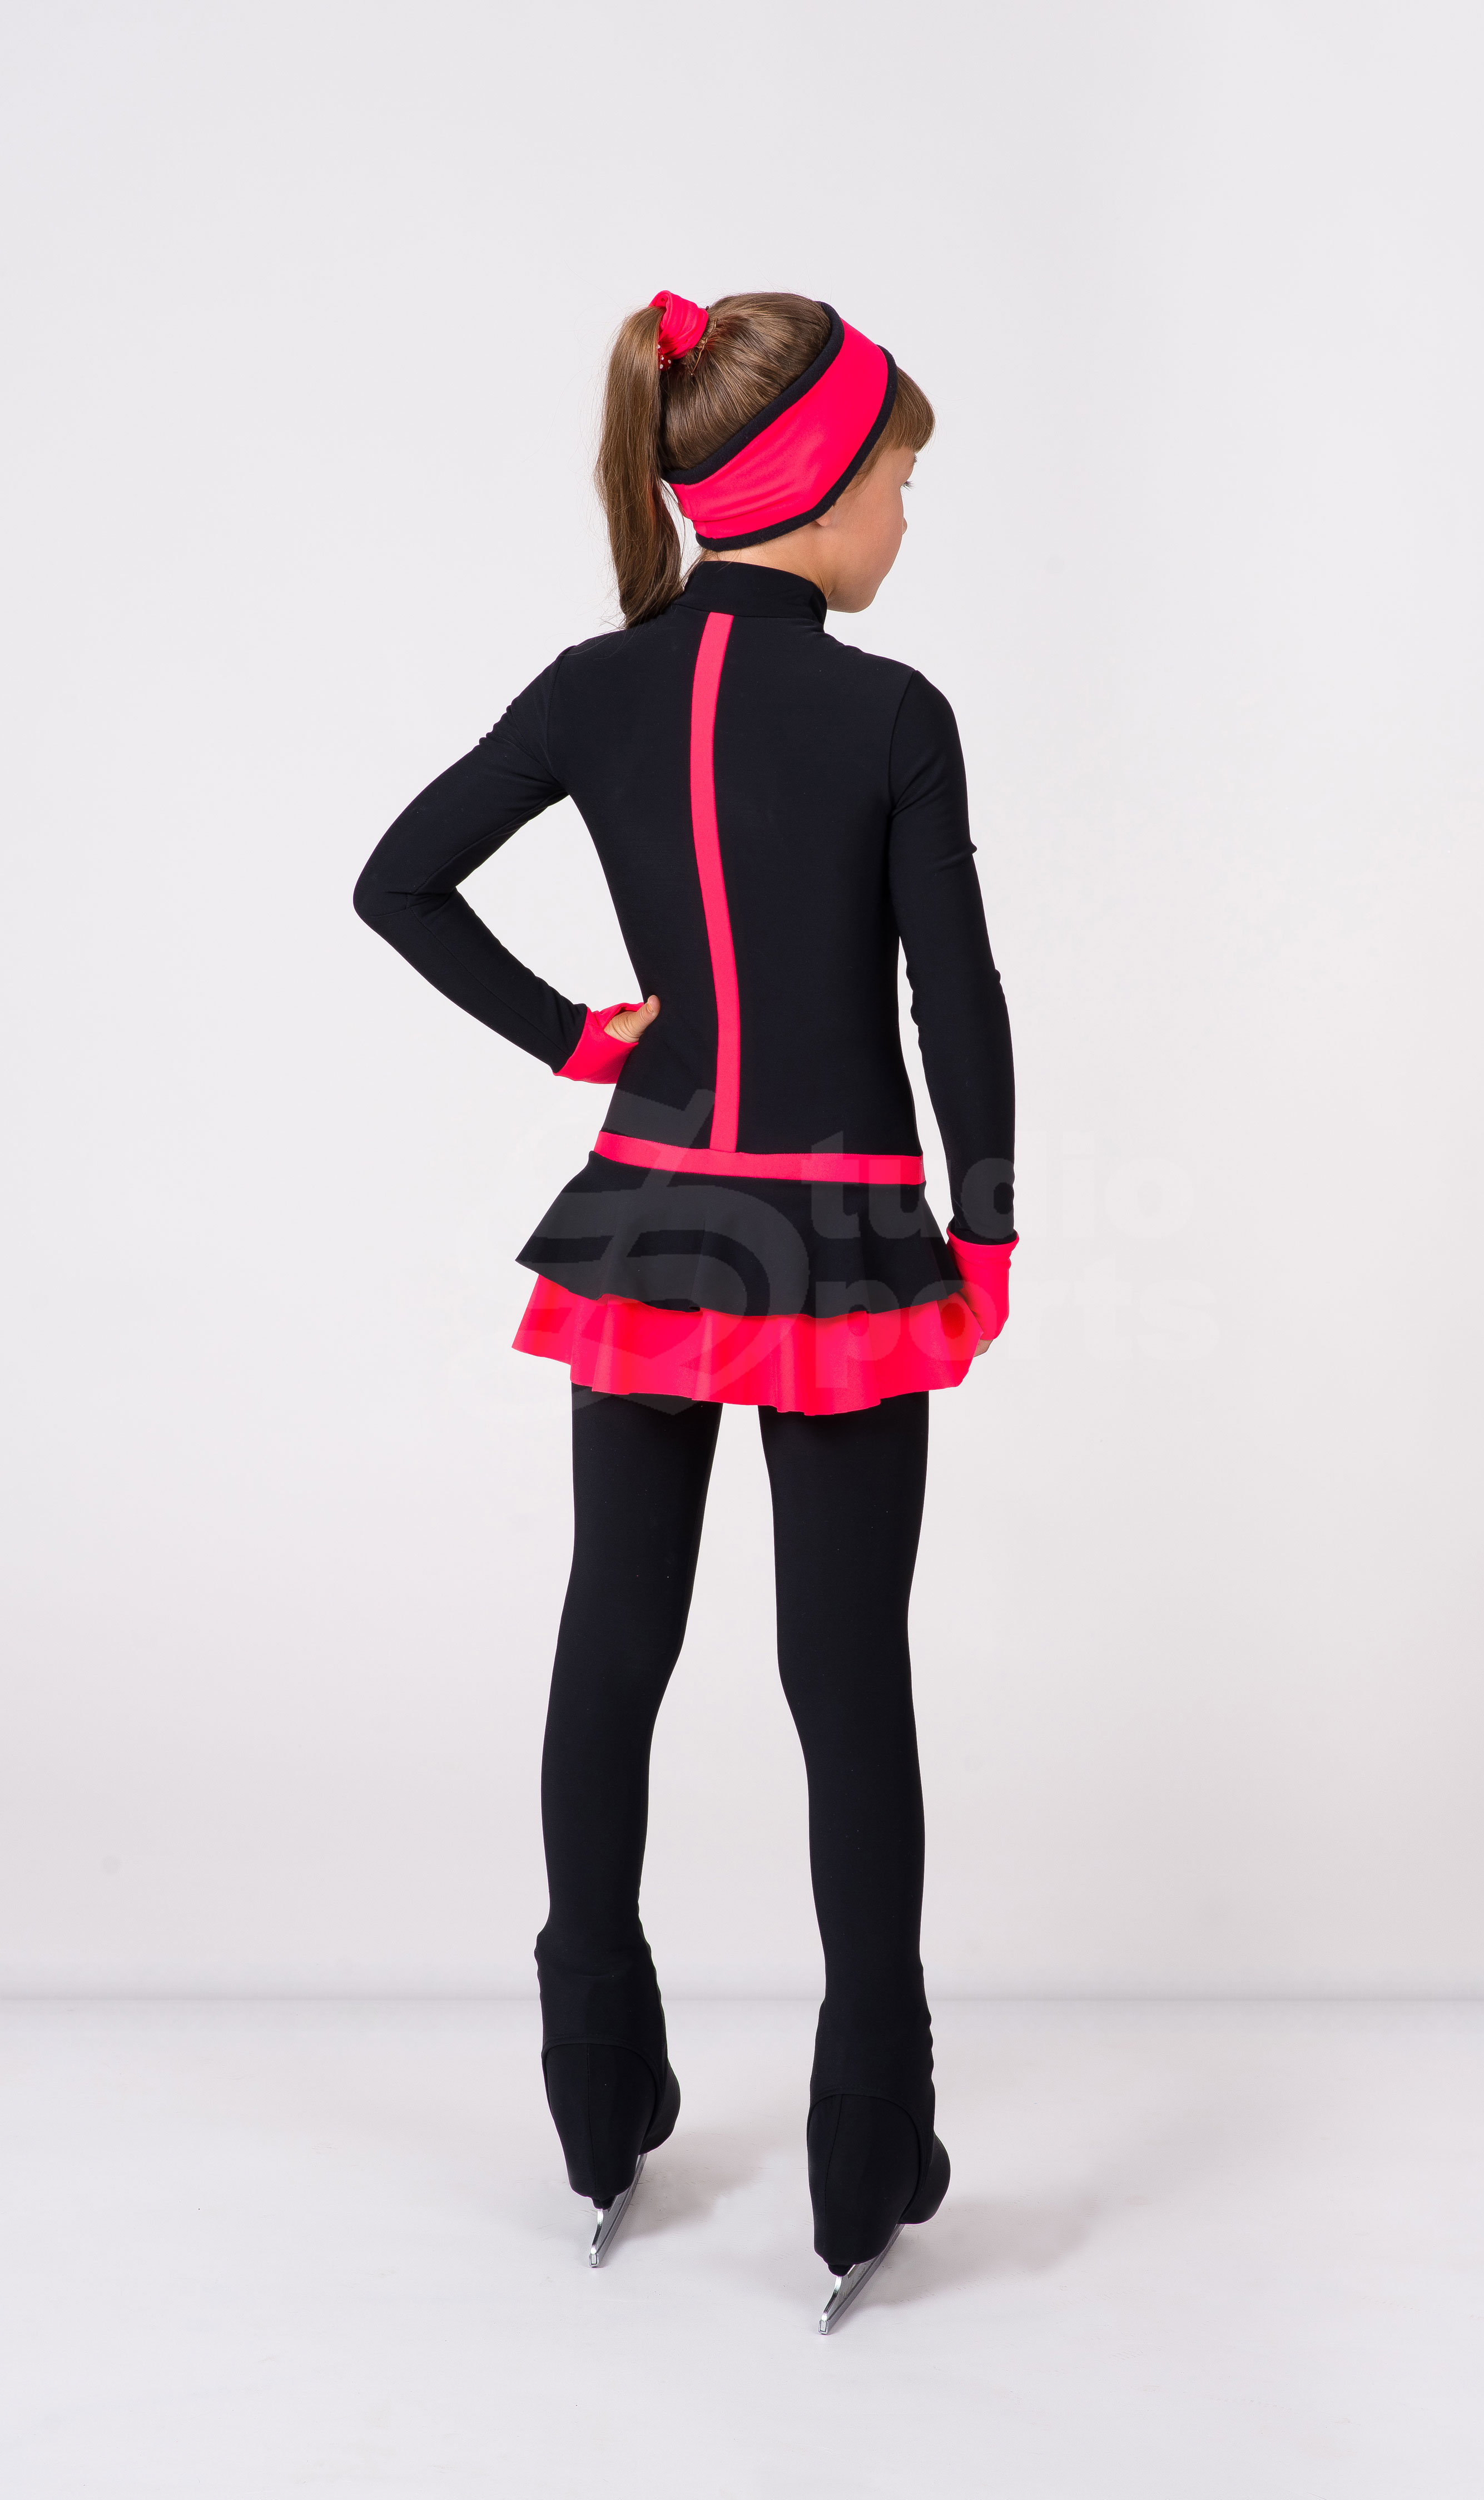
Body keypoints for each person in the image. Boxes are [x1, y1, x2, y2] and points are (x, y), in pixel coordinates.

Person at [353, 291, 1015, 2328]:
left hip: (651, 1227)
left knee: (613, 1642)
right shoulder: (892, 713)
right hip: (838, 1246)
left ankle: (596, 2095)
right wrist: (987, 1233)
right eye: (903, 478)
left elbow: (399, 880)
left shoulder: (596, 688)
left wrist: (581, 1041)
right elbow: (956, 999)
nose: (909, 516)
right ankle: (868, 2142)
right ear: (821, 484)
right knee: (848, 1678)